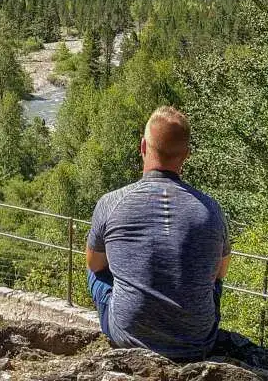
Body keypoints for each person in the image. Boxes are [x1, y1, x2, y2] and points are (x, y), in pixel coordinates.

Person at [86, 105, 231, 362]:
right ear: (186, 155)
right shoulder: (212, 209)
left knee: (98, 270)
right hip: (198, 344)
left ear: (143, 147)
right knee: (213, 281)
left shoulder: (111, 202)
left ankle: (129, 319)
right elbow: (220, 274)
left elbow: (94, 265)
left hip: (127, 338)